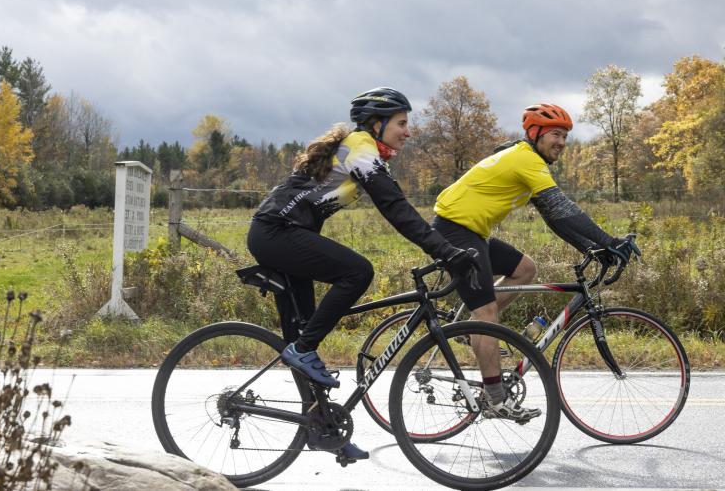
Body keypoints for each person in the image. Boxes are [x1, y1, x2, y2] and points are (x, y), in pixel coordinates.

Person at [247, 87, 479, 461]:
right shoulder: (360, 147)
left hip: (280, 236)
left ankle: (324, 430)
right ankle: (303, 351)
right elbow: (396, 209)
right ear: (378, 123)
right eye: (402, 123)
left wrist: (442, 248)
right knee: (357, 272)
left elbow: (394, 206)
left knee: (302, 333)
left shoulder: (361, 151)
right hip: (276, 234)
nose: (408, 132)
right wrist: (446, 251)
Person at [432, 102, 640, 421]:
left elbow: (554, 218)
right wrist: (609, 242)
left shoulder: (528, 160)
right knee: (486, 313)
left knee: (525, 269)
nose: (561, 142)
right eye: (556, 134)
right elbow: (564, 208)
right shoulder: (525, 159)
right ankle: (495, 397)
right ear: (535, 134)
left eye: (565, 136)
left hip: (470, 231)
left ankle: (472, 331)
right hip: (455, 230)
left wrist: (591, 248)